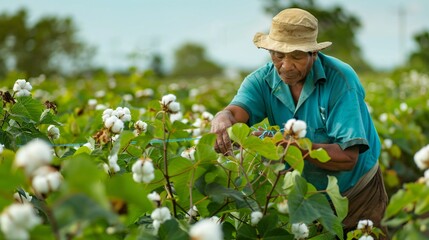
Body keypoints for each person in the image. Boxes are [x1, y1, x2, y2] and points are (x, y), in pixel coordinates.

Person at [210, 8, 388, 239]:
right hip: (303, 198)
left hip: (357, 194)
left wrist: (293, 147)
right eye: (278, 55)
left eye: (296, 56)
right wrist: (223, 118)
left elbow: (348, 157)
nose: (285, 65)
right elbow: (235, 113)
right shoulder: (260, 80)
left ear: (313, 54)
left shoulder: (341, 81)